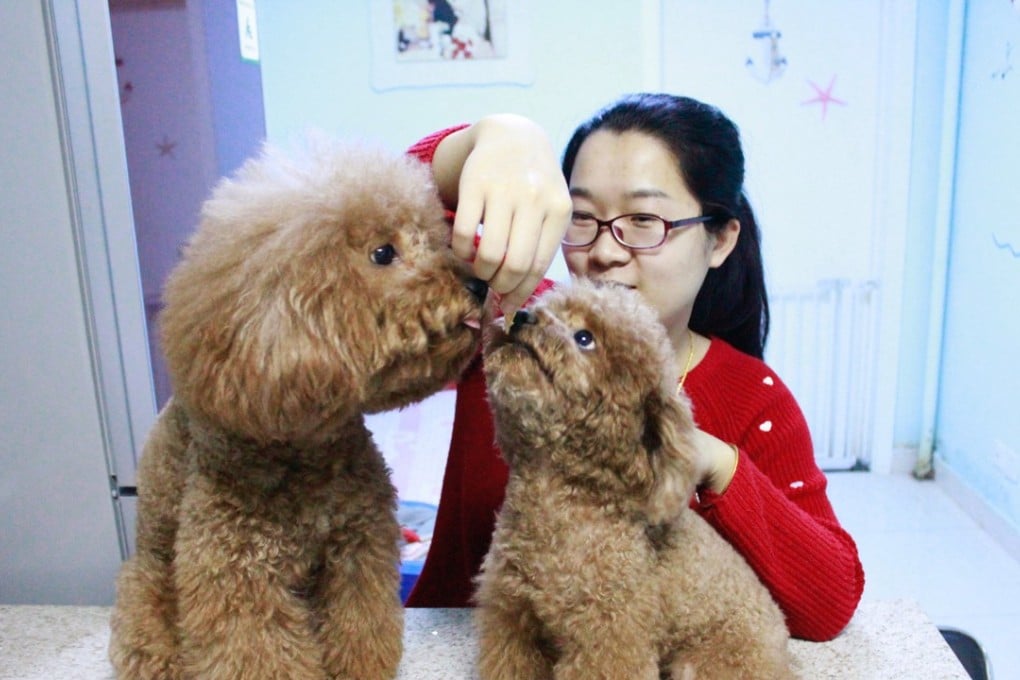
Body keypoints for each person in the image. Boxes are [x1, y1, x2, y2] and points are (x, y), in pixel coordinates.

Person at [402, 93, 864, 642]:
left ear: (720, 240)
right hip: (467, 651)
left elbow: (830, 600)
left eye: (644, 220)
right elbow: (374, 230)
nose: (604, 252)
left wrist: (716, 463)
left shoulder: (753, 397)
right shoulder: (513, 321)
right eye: (582, 218)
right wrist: (491, 140)